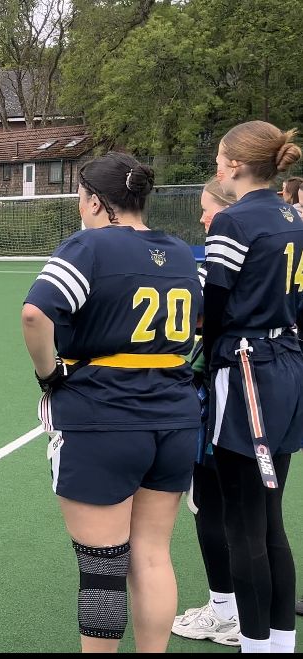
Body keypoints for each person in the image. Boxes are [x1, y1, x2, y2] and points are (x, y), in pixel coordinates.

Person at [22, 153, 202, 652]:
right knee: (153, 555)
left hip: (103, 416)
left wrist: (49, 373)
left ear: (97, 202)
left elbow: (36, 313)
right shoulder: (181, 251)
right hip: (174, 416)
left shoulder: (89, 245)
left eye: (82, 198)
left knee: (102, 567)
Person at [201, 120, 303, 653]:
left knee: (244, 523)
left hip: (246, 371)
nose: (217, 166)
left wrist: (202, 353)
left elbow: (215, 306)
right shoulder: (292, 215)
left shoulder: (234, 220)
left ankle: (257, 645)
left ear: (237, 165)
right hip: (286, 362)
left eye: (220, 158)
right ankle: (280, 643)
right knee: (269, 520)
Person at [171, 178, 242, 647]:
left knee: (210, 503)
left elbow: (204, 317)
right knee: (250, 508)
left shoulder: (220, 262)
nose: (201, 218)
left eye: (207, 209)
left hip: (224, 392)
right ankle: (249, 608)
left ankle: (225, 611)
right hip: (266, 386)